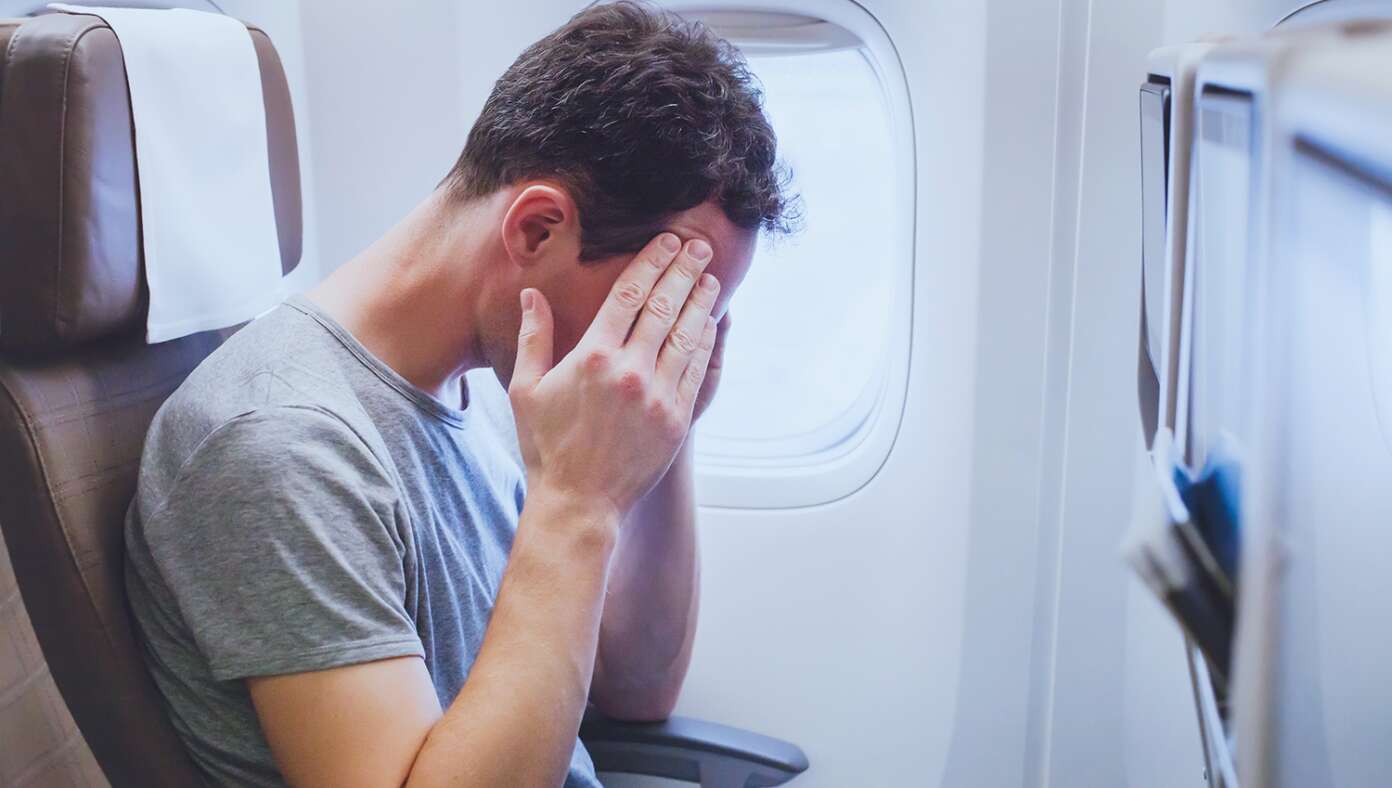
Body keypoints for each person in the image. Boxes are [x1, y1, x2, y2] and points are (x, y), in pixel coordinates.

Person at [123, 2, 794, 786]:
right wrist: (576, 505)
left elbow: (639, 687)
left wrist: (665, 430)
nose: (666, 342)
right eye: (656, 308)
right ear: (537, 231)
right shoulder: (280, 445)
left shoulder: (510, 390)